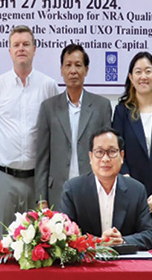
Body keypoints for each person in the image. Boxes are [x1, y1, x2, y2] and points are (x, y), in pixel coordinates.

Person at [0, 25, 58, 228]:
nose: (21, 48)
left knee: (41, 239)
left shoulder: (49, 86)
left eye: (26, 44)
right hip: (6, 177)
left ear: (35, 49)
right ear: (9, 51)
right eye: (16, 45)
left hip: (38, 178)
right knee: (6, 239)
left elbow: (55, 128)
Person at [112, 52, 152, 250]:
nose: (143, 76)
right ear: (131, 77)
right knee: (132, 260)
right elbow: (118, 155)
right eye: (138, 72)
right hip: (130, 200)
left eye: (148, 71)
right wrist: (136, 194)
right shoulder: (122, 111)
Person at [35, 44, 112, 209]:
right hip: (57, 191)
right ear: (61, 70)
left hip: (93, 190)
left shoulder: (101, 106)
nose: (73, 70)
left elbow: (107, 153)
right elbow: (42, 158)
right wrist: (42, 199)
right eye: (68, 65)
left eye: (78, 65)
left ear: (86, 70)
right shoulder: (48, 108)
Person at [57, 127, 152, 250]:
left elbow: (149, 235)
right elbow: (65, 234)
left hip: (124, 265)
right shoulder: (73, 189)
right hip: (87, 264)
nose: (105, 159)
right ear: (90, 157)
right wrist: (98, 242)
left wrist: (122, 241)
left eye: (111, 152)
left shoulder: (136, 190)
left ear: (121, 156)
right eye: (99, 152)